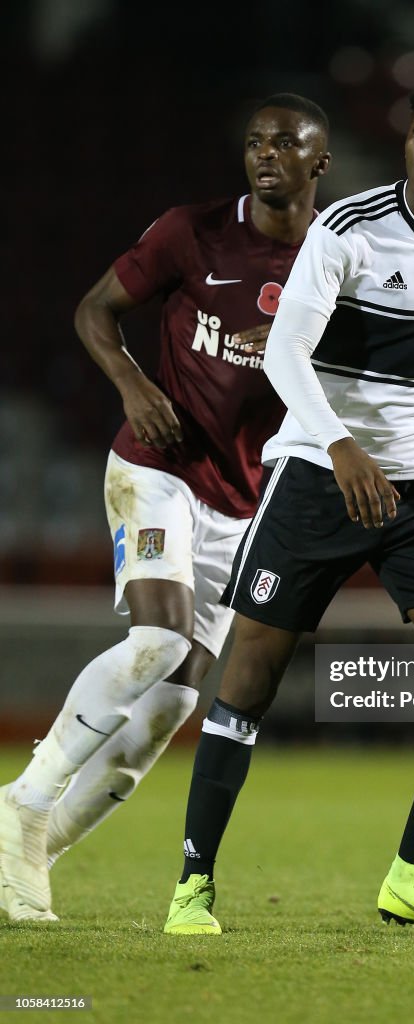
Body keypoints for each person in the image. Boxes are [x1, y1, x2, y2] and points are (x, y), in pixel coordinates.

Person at [163, 65, 414, 937]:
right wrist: (338, 443)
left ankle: (413, 873)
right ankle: (192, 885)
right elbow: (287, 356)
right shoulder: (348, 228)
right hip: (320, 472)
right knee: (248, 674)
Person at [0, 94, 331, 923]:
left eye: (284, 144)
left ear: (319, 164)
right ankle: (24, 800)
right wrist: (135, 383)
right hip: (160, 469)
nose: (264, 155)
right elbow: (94, 310)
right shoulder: (193, 231)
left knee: (172, 706)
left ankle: (33, 854)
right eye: (254, 141)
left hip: (244, 502)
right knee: (154, 640)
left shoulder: (339, 258)